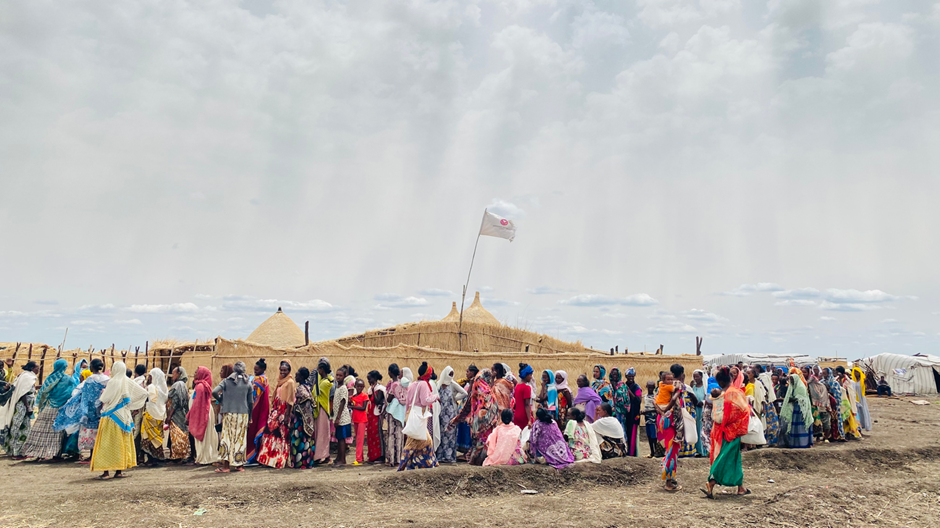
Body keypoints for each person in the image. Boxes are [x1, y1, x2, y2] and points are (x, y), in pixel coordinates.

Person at [89, 361, 149, 480]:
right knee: (121, 444)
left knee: (106, 444)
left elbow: (105, 398)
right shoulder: (127, 381)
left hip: (110, 416)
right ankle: (119, 471)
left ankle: (106, 472)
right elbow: (143, 393)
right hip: (123, 417)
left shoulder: (113, 382)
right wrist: (131, 405)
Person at [702, 366, 751, 499]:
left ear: (720, 382)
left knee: (726, 456)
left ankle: (741, 487)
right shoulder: (735, 392)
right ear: (730, 378)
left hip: (718, 430)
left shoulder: (718, 394)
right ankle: (711, 482)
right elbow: (744, 411)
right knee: (727, 457)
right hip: (732, 431)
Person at [53, 358, 108, 461]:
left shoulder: (90, 380)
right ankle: (95, 455)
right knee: (100, 431)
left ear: (92, 367)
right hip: (103, 407)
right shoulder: (106, 379)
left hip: (91, 409)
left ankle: (92, 456)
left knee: (91, 432)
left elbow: (85, 395)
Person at [22, 358, 76, 460]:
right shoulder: (68, 379)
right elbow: (73, 393)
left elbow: (43, 393)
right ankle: (56, 455)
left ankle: (38, 453)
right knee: (58, 433)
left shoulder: (50, 378)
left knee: (41, 431)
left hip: (47, 408)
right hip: (61, 409)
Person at [451, 368, 499, 466]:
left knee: (479, 442)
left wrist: (459, 418)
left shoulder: (477, 389)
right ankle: (483, 459)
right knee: (485, 442)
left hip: (477, 423)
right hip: (485, 424)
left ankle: (477, 460)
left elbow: (468, 406)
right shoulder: (488, 392)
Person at [212, 361, 254, 473]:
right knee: (240, 439)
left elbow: (215, 392)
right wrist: (250, 417)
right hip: (243, 414)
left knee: (227, 438)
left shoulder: (226, 381)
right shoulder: (248, 383)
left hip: (229, 413)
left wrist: (222, 399)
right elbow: (250, 403)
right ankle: (239, 465)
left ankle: (226, 467)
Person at [398, 362, 439, 470]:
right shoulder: (424, 384)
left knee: (418, 440)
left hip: (411, 414)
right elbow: (425, 401)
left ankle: (415, 463)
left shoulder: (413, 384)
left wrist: (407, 416)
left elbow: (407, 402)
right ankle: (408, 463)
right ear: (427, 374)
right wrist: (436, 397)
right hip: (418, 415)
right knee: (422, 441)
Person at [258, 360, 296, 469]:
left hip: (283, 412)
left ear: (289, 371)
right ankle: (268, 459)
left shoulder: (290, 382)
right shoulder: (280, 381)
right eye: (281, 370)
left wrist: (287, 415)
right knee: (270, 434)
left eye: (285, 370)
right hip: (276, 411)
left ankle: (279, 460)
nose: (283, 372)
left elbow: (290, 400)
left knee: (281, 436)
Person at [654, 366, 685, 492]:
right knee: (672, 450)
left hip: (663, 420)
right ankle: (669, 481)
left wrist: (661, 412)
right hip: (671, 421)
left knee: (669, 449)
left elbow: (654, 402)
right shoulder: (678, 386)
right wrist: (666, 411)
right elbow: (673, 400)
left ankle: (670, 478)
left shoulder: (660, 387)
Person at [0, 361, 37, 458]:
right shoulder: (27, 377)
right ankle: (16, 452)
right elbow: (23, 392)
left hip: (24, 406)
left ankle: (20, 451)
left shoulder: (26, 376)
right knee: (18, 427)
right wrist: (27, 406)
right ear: (32, 368)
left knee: (25, 428)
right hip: (22, 406)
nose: (39, 369)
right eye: (37, 367)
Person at [187, 366, 218, 465]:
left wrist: (189, 415)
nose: (195, 373)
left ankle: (203, 458)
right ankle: (204, 456)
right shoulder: (201, 385)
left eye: (196, 372)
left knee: (203, 437)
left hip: (201, 413)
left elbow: (197, 404)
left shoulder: (200, 387)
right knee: (206, 436)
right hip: (204, 412)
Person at [435, 366, 465, 464]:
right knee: (441, 433)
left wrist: (455, 398)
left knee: (450, 435)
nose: (451, 376)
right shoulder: (438, 384)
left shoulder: (452, 384)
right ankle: (440, 456)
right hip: (441, 413)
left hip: (451, 413)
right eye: (449, 374)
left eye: (452, 374)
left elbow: (464, 393)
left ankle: (449, 457)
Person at [139, 368, 168, 465]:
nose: (149, 378)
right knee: (156, 437)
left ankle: (151, 459)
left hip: (150, 414)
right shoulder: (163, 389)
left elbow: (148, 399)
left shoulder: (151, 387)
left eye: (150, 376)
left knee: (149, 437)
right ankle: (157, 457)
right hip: (159, 415)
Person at [778, 369, 812, 448]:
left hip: (801, 410)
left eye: (793, 380)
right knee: (795, 426)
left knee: (801, 426)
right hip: (795, 409)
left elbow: (803, 399)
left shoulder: (801, 387)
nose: (792, 382)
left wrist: (793, 399)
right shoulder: (792, 387)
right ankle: (795, 443)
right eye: (791, 380)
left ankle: (802, 443)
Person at [290, 367, 316, 469]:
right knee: (307, 441)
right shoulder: (308, 387)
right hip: (308, 420)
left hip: (300, 419)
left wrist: (296, 408)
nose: (295, 375)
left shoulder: (301, 389)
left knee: (298, 440)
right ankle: (307, 462)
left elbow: (306, 399)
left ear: (301, 376)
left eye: (297, 374)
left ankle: (299, 463)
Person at [246, 358, 269, 465]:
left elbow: (252, 389)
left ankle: (252, 456)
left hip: (258, 408)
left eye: (257, 370)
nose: (255, 372)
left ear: (263, 369)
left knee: (254, 431)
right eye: (255, 370)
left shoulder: (261, 380)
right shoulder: (258, 379)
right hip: (257, 407)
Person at [165, 366, 191, 462]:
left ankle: (178, 456)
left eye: (174, 373)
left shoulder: (177, 385)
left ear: (179, 374)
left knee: (177, 434)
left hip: (176, 414)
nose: (172, 376)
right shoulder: (183, 385)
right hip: (181, 413)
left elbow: (175, 402)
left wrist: (169, 416)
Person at [454, 365, 478, 457]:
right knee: (463, 429)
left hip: (469, 410)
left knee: (468, 430)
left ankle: (468, 451)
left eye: (468, 371)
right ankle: (465, 451)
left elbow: (469, 396)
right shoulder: (467, 382)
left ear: (472, 372)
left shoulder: (474, 383)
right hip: (464, 410)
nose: (466, 373)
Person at [383, 363, 404, 467]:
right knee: (399, 435)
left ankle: (392, 459)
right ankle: (399, 458)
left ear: (390, 372)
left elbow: (389, 399)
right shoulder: (402, 384)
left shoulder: (393, 385)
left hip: (393, 412)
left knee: (392, 434)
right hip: (400, 413)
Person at [365, 370, 387, 464]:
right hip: (370, 414)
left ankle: (380, 456)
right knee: (371, 434)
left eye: (370, 379)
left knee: (377, 434)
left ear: (375, 378)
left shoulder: (380, 389)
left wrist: (373, 390)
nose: (369, 381)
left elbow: (377, 401)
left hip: (377, 414)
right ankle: (372, 455)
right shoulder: (370, 389)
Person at [332, 366, 351, 466]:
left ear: (345, 376)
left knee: (342, 439)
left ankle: (342, 459)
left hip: (342, 417)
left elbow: (343, 402)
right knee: (339, 438)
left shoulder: (343, 388)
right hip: (338, 417)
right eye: (337, 375)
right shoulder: (337, 387)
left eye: (340, 375)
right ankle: (339, 457)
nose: (338, 377)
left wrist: (338, 417)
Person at [807, 372, 832, 442]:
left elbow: (823, 398)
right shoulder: (810, 386)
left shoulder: (821, 388)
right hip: (816, 408)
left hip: (824, 408)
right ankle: (820, 437)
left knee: (825, 423)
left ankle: (826, 437)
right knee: (817, 422)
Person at [350, 378, 369, 465]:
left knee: (360, 439)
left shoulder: (364, 396)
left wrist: (352, 407)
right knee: (358, 438)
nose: (360, 388)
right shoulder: (353, 397)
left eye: (361, 386)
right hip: (356, 419)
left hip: (362, 420)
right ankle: (360, 457)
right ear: (355, 386)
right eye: (358, 386)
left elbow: (363, 408)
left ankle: (358, 459)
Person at [642, 380, 663, 458]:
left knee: (654, 437)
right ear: (646, 387)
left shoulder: (655, 397)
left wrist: (647, 411)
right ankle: (651, 452)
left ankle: (655, 452)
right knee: (649, 436)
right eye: (649, 387)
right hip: (647, 419)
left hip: (653, 420)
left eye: (652, 387)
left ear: (654, 388)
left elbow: (657, 409)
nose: (650, 389)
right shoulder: (645, 396)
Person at [690, 369, 708, 457]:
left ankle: (703, 450)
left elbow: (708, 398)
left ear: (702, 377)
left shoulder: (705, 387)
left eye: (697, 376)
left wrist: (703, 402)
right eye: (694, 377)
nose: (696, 378)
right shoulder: (693, 387)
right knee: (695, 428)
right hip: (695, 410)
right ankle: (697, 450)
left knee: (702, 429)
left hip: (702, 410)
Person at [512, 364, 535, 429]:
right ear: (525, 375)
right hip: (524, 415)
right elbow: (527, 404)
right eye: (530, 375)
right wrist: (529, 420)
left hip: (517, 414)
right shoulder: (527, 388)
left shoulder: (517, 386)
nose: (531, 377)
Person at [852, 367, 872, 431]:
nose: (856, 373)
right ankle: (860, 426)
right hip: (856, 398)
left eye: (857, 372)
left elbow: (867, 386)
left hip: (862, 397)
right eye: (854, 372)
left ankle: (866, 425)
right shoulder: (853, 380)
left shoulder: (863, 379)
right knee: (858, 411)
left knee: (863, 410)